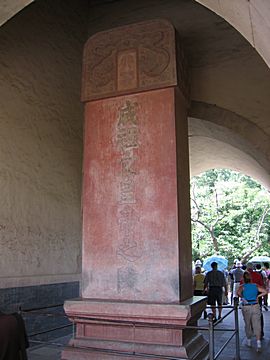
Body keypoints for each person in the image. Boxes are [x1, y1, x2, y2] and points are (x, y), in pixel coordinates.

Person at [237, 271, 267, 352]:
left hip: (246, 307)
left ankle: (249, 341)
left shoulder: (242, 286)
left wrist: (243, 297)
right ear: (250, 278)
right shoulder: (255, 285)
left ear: (243, 278)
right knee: (257, 324)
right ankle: (258, 343)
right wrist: (258, 296)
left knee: (248, 323)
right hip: (255, 305)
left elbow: (238, 293)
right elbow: (265, 291)